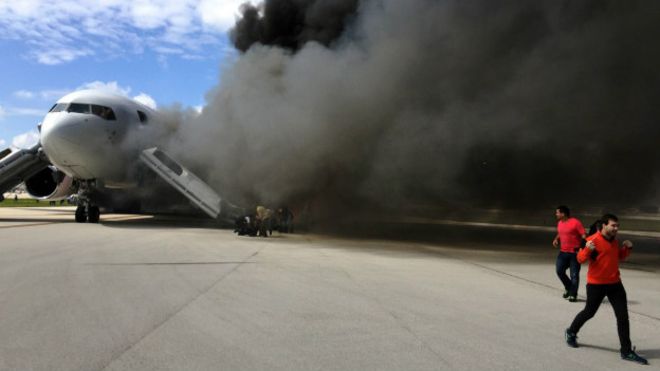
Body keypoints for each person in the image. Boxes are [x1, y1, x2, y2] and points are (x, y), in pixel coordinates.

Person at [565, 214, 648, 365]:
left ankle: (626, 351)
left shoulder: (614, 242)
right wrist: (587, 250)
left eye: (617, 226)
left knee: (623, 317)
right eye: (613, 225)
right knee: (589, 312)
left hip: (615, 284)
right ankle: (571, 331)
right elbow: (580, 259)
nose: (616, 228)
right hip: (596, 284)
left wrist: (627, 248)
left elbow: (619, 257)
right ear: (604, 225)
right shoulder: (593, 240)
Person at [552, 205, 586, 302]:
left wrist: (581, 248)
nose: (556, 214)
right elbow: (561, 232)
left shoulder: (575, 222)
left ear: (563, 213)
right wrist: (556, 239)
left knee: (574, 275)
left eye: (557, 212)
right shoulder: (560, 223)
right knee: (559, 271)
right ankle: (569, 287)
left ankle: (573, 294)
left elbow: (583, 235)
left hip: (574, 253)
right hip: (563, 252)